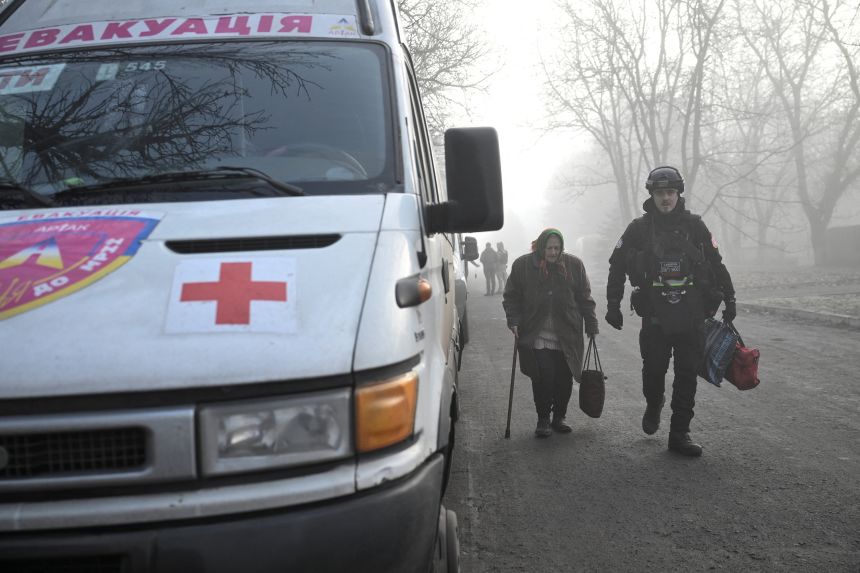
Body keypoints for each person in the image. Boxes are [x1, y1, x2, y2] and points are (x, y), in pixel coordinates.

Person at [605, 166, 736, 457]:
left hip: (692, 315)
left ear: (678, 194)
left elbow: (716, 263)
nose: (666, 198)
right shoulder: (638, 229)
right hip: (654, 317)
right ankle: (654, 403)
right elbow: (617, 266)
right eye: (660, 193)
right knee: (653, 372)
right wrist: (612, 305)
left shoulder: (695, 226)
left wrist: (731, 298)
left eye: (670, 192)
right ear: (652, 194)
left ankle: (680, 434)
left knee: (687, 374)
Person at [503, 229, 599, 437]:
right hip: (536, 334)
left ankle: (559, 417)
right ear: (540, 247)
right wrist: (514, 320)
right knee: (543, 376)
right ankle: (543, 419)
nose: (553, 253)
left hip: (567, 334)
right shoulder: (523, 266)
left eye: (557, 248)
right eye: (549, 248)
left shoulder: (574, 265)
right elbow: (511, 296)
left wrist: (591, 324)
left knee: (564, 379)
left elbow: (584, 297)